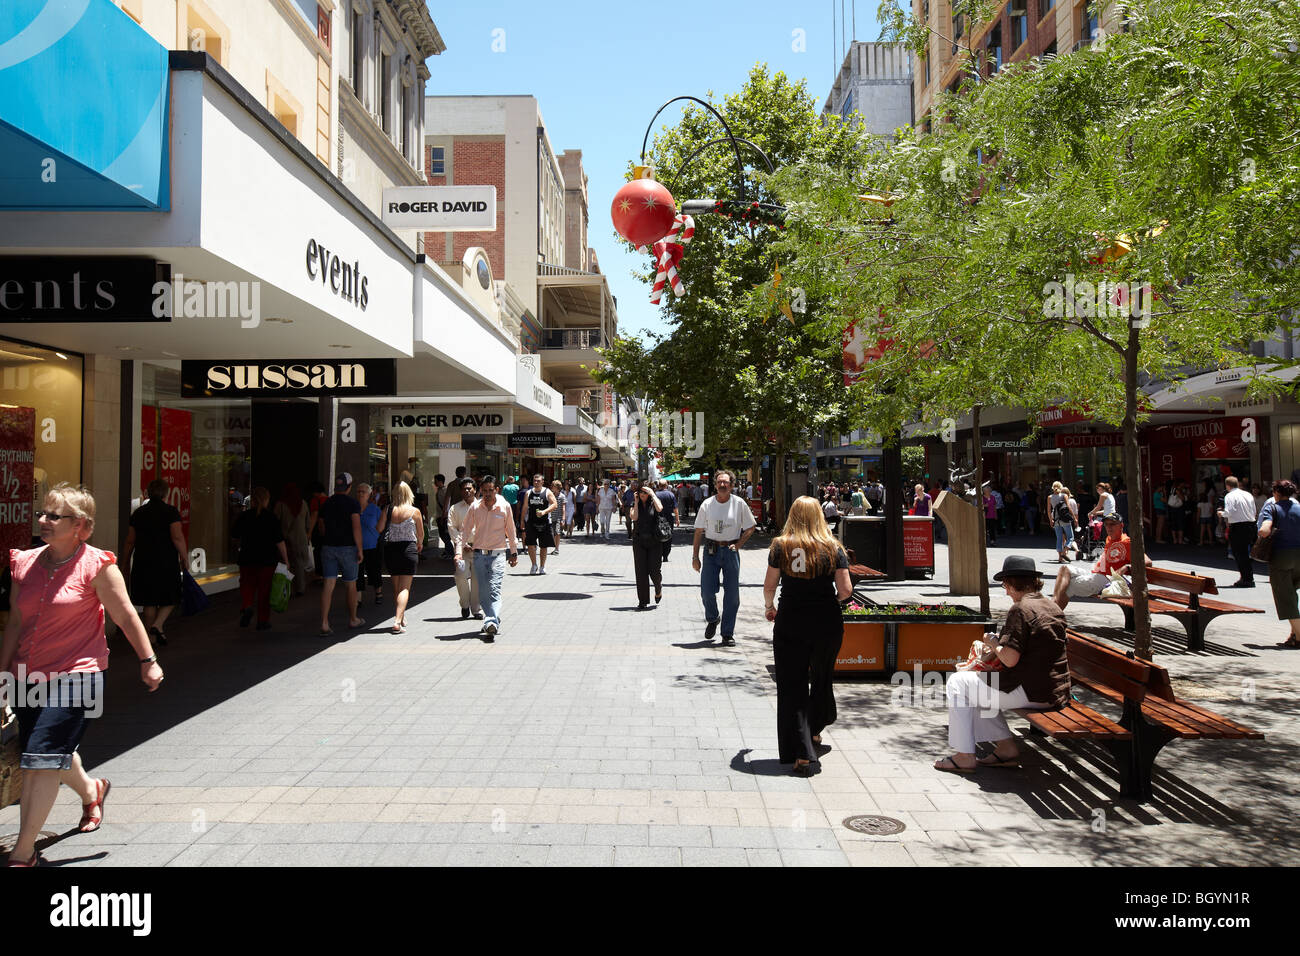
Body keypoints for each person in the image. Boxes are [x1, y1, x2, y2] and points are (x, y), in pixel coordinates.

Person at [1, 484, 164, 867]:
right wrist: (4, 673)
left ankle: (23, 854)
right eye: (42, 513)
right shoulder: (24, 563)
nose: (43, 521)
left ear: (81, 527)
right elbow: (16, 623)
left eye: (54, 516)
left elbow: (125, 615)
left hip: (77, 674)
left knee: (39, 759)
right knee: (48, 751)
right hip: (28, 674)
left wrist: (148, 660)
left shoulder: (97, 566)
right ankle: (92, 790)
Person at [935, 556, 1070, 773]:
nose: (1005, 591)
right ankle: (1005, 748)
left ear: (1011, 583)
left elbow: (1010, 659)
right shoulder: (1051, 607)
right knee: (979, 686)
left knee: (958, 683)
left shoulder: (1020, 609)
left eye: (1005, 585)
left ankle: (964, 756)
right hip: (1053, 691)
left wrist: (994, 644)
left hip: (1031, 692)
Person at [763, 497, 852, 776]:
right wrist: (830, 601)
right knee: (822, 678)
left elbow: (769, 586)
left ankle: (801, 752)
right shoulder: (833, 547)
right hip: (826, 621)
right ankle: (816, 727)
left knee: (793, 685)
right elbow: (846, 589)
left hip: (791, 621)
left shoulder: (781, 546)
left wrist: (770, 607)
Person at [692, 470, 758, 646]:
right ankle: (713, 618)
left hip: (730, 552)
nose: (722, 485)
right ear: (715, 484)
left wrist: (738, 545)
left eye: (726, 482)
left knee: (732, 595)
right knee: (706, 591)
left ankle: (727, 633)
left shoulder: (739, 503)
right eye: (719, 482)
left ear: (731, 485)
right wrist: (695, 557)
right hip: (711, 551)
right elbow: (698, 531)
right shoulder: (707, 504)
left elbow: (751, 526)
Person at [121, 479, 186, 647]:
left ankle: (151, 638)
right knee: (171, 596)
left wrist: (126, 560)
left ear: (147, 493)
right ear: (166, 493)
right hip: (166, 561)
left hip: (143, 560)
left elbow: (130, 540)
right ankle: (158, 625)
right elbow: (177, 537)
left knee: (149, 600)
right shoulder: (170, 512)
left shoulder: (138, 513)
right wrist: (184, 557)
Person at [460, 475, 519, 641]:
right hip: (479, 554)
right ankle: (493, 618)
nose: (487, 494)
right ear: (480, 491)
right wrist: (461, 547)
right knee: (483, 592)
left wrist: (513, 552)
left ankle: (491, 621)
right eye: (484, 490)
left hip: (498, 554)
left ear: (497, 490)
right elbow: (465, 529)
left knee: (494, 588)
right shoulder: (475, 507)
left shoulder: (504, 506)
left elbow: (511, 531)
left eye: (490, 490)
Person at [1052, 512, 1151, 609]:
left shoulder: (1127, 542)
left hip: (1108, 579)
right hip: (1096, 574)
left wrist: (1127, 567)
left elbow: (1148, 562)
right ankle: (1053, 605)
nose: (1109, 527)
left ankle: (1053, 614)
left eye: (1112, 524)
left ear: (1121, 525)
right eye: (1106, 525)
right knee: (1065, 568)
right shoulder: (1109, 539)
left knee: (1067, 586)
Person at [314, 472, 364, 636]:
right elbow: (356, 526)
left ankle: (324, 622)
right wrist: (360, 548)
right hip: (348, 547)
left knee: (328, 585)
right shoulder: (352, 504)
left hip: (328, 546)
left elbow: (321, 525)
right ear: (349, 487)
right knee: (351, 584)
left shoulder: (326, 503)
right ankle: (353, 618)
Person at [233, 487, 288, 631]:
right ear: (266, 500)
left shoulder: (244, 516)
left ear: (252, 500)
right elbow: (279, 541)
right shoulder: (271, 518)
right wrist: (286, 559)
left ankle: (247, 606)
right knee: (264, 590)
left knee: (247, 585)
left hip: (247, 558)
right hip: (267, 560)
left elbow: (235, 536)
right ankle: (263, 620)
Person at [1256, 479, 1300, 648]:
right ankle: (1294, 634)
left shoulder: (1272, 508)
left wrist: (1264, 530)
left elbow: (1264, 530)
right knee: (1291, 595)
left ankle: (1299, 635)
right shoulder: (1299, 507)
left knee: (1284, 597)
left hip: (1282, 557)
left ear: (1276, 493)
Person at [376, 480, 423, 634]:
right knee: (405, 588)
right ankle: (397, 621)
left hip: (391, 550)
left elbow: (380, 528)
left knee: (396, 587)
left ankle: (401, 617)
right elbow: (421, 534)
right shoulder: (414, 511)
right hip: (408, 549)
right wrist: (420, 544)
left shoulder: (388, 509)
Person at [448, 478, 482, 621]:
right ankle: (464, 604)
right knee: (460, 575)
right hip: (462, 549)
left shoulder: (483, 506)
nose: (467, 491)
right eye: (464, 489)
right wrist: (462, 544)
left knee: (477, 579)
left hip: (479, 548)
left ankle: (476, 609)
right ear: (461, 491)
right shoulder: (455, 508)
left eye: (470, 488)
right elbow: (452, 528)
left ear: (475, 489)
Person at [629, 482, 665, 610]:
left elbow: (660, 508)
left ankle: (658, 587)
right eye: (641, 492)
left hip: (654, 541)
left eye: (645, 492)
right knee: (641, 572)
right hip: (639, 541)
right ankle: (643, 600)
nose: (643, 495)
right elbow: (634, 517)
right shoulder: (635, 503)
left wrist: (652, 494)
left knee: (654, 571)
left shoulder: (654, 502)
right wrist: (637, 502)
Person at [274, 482, 311, 596]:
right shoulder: (303, 503)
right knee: (299, 565)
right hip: (301, 539)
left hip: (285, 540)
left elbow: (274, 522)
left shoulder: (280, 504)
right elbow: (307, 523)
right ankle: (300, 588)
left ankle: (285, 590)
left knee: (284, 565)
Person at [1220, 476, 1257, 588]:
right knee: (1246, 553)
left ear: (1227, 486)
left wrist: (1221, 513)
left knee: (1239, 553)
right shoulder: (1248, 494)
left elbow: (1229, 512)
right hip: (1251, 524)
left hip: (1238, 526)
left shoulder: (1230, 496)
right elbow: (1254, 510)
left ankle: (1247, 578)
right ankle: (1247, 576)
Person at [521, 474, 558, 574]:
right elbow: (524, 507)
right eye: (534, 481)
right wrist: (521, 521)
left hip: (544, 523)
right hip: (531, 522)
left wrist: (544, 512)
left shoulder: (547, 492)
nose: (536, 482)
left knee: (543, 546)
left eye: (538, 481)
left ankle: (542, 566)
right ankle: (534, 565)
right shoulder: (528, 493)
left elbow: (555, 504)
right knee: (530, 545)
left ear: (542, 482)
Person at [357, 483, 383, 606]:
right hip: (357, 547)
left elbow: (381, 526)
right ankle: (358, 598)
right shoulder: (353, 508)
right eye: (359, 491)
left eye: (363, 492)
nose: (361, 494)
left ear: (369, 494)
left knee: (374, 571)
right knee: (358, 573)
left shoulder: (374, 509)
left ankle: (378, 593)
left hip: (373, 546)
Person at [1048, 481, 1075, 563]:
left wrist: (1050, 520)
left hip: (1055, 519)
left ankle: (1060, 557)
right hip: (1064, 518)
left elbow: (1049, 510)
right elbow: (1068, 507)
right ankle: (1064, 551)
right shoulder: (1064, 495)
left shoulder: (1049, 497)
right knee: (1070, 537)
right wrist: (1074, 517)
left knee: (1059, 538)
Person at [655, 479, 679, 562]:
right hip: (668, 519)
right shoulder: (671, 494)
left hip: (657, 519)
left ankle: (658, 554)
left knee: (658, 535)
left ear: (658, 485)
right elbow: (675, 508)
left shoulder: (655, 494)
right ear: (666, 485)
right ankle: (665, 555)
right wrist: (677, 519)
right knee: (668, 536)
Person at [432, 474, 453, 558]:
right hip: (440, 515)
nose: (434, 482)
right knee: (443, 534)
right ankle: (447, 550)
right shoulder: (439, 490)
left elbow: (446, 504)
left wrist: (444, 516)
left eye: (435, 480)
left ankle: (450, 551)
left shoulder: (444, 491)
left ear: (440, 481)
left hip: (443, 516)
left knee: (444, 535)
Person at [548, 479, 565, 555]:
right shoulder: (550, 495)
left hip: (558, 517)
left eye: (553, 486)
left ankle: (557, 548)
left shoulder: (562, 496)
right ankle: (555, 547)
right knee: (553, 533)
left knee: (557, 532)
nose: (552, 487)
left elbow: (563, 508)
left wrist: (563, 519)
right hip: (551, 517)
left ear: (557, 487)